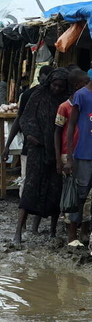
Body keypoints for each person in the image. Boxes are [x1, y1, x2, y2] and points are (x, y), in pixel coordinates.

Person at [14, 68, 71, 245]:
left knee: (55, 189)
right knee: (31, 187)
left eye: (61, 86)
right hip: (37, 149)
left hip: (56, 151)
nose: (57, 89)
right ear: (49, 83)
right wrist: (31, 135)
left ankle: (53, 230)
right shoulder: (38, 95)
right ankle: (18, 232)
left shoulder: (66, 100)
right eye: (55, 85)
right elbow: (26, 117)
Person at [3, 65, 55, 235]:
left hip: (49, 150)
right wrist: (7, 146)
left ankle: (35, 227)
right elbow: (20, 119)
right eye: (46, 80)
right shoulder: (29, 95)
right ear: (40, 78)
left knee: (45, 186)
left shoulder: (57, 98)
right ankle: (22, 225)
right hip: (31, 149)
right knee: (29, 185)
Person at [55, 69, 89, 244]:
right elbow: (65, 129)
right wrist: (67, 157)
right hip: (77, 153)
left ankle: (82, 231)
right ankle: (71, 232)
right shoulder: (74, 101)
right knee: (76, 193)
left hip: (84, 153)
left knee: (85, 195)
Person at [63, 68, 92, 245]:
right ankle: (72, 235)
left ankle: (85, 233)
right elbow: (71, 125)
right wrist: (70, 156)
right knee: (79, 195)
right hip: (83, 153)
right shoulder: (81, 95)